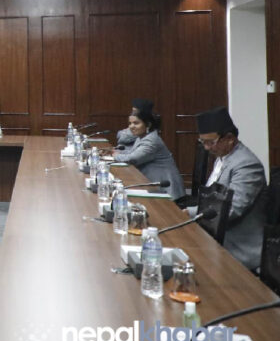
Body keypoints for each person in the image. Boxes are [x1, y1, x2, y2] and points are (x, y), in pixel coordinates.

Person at [189, 107, 267, 270]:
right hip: (214, 236)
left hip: (236, 247)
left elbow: (231, 209)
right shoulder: (223, 156)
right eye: (203, 142)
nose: (206, 148)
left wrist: (191, 213)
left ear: (229, 138)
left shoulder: (246, 165)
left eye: (210, 142)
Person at [113, 105, 185, 200]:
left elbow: (132, 159)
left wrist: (115, 156)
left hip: (166, 190)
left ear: (148, 124)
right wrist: (115, 151)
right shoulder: (142, 137)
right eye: (130, 123)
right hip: (154, 187)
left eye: (136, 123)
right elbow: (132, 152)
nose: (131, 127)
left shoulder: (151, 140)